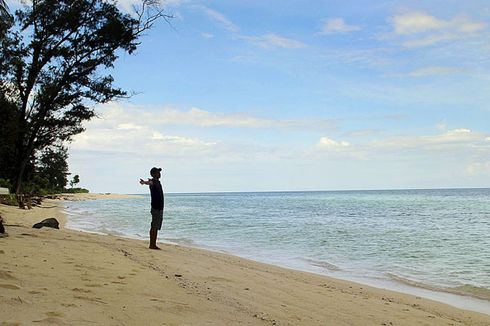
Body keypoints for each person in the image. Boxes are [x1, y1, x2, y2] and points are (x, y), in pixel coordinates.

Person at [139, 167, 164, 250]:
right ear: (153, 174)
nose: (159, 174)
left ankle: (153, 244)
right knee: (154, 226)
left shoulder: (157, 182)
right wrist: (144, 182)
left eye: (159, 172)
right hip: (156, 208)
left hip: (159, 208)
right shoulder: (153, 181)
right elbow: (149, 183)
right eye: (157, 172)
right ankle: (152, 245)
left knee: (156, 226)